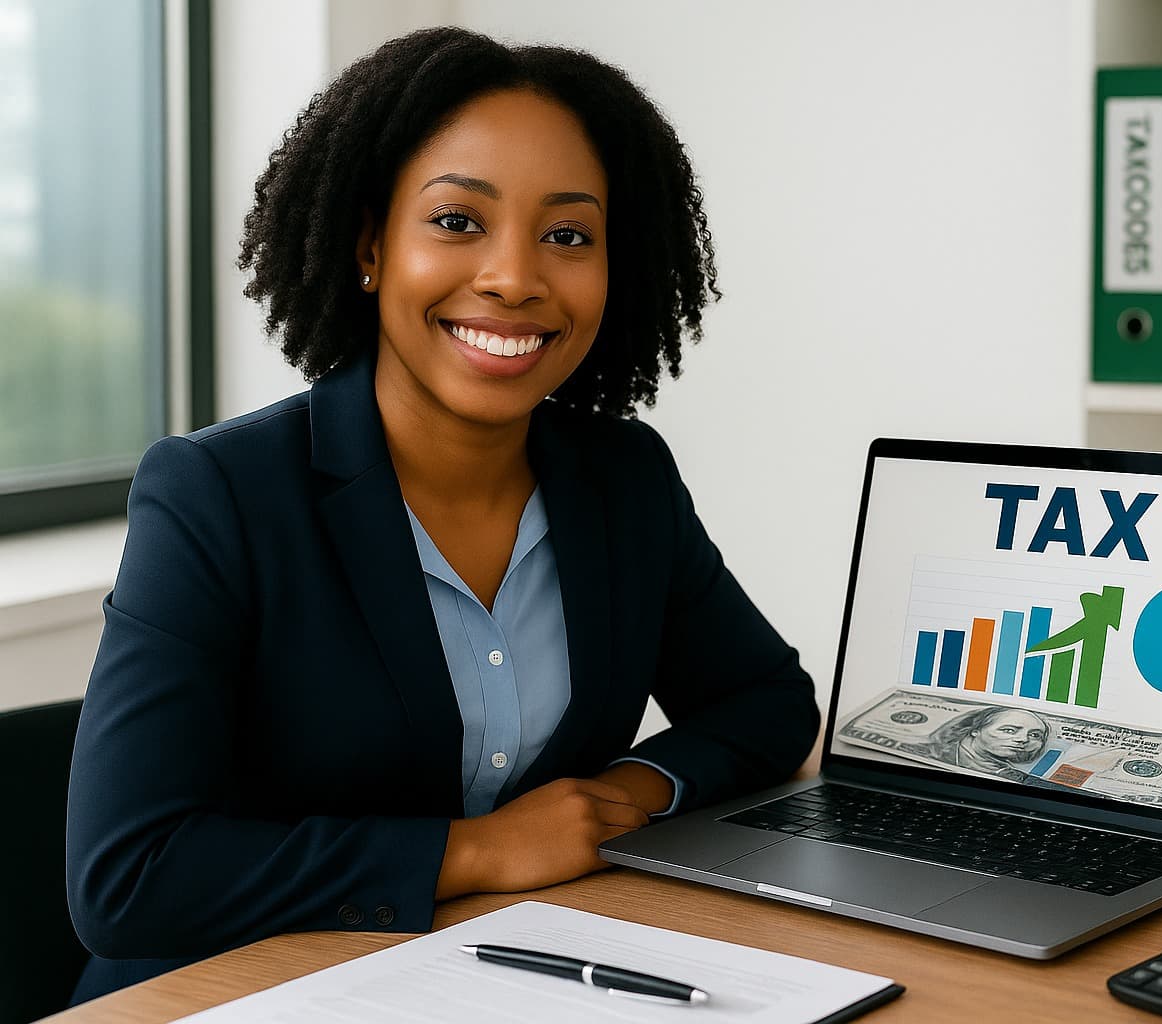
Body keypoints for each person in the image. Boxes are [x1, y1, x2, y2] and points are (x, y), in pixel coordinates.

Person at [64, 27, 820, 1003]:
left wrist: (626, 795)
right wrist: (475, 852)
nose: (514, 277)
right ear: (373, 245)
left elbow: (766, 703)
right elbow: (129, 880)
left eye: (567, 235)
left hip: (504, 979)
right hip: (232, 995)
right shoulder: (220, 495)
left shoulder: (621, 479)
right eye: (459, 221)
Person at [906, 706, 1049, 781]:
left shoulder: (1016, 777)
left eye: (1035, 735)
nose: (1024, 739)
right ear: (975, 730)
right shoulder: (922, 755)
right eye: (1009, 730)